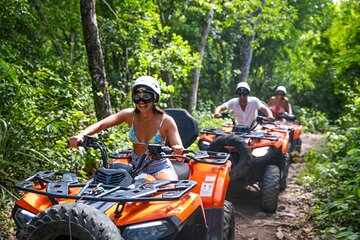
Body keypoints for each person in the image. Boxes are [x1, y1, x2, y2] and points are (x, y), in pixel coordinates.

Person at [69, 76, 183, 180]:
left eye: (146, 96)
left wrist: (178, 149)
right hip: (135, 165)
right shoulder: (129, 115)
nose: (141, 101)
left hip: (158, 166)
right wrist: (80, 136)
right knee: (105, 187)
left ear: (155, 98)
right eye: (137, 96)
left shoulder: (166, 121)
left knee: (169, 192)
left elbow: (180, 155)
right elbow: (101, 124)